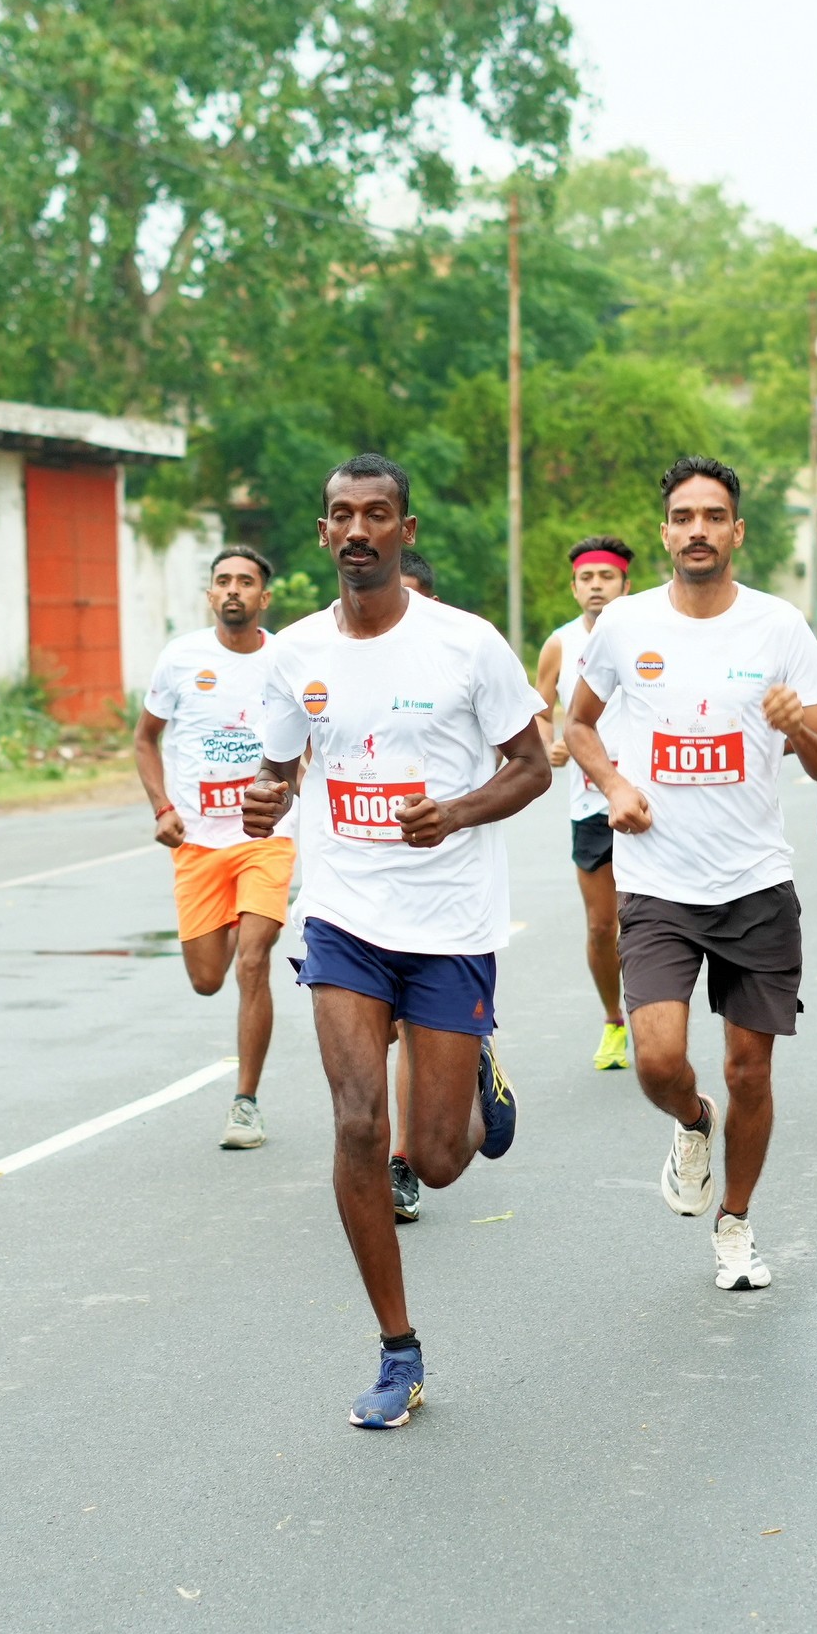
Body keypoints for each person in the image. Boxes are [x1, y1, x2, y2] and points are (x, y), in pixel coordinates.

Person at [243, 454, 550, 1429]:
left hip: (450, 920)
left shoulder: (466, 645)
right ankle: (397, 1347)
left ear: (405, 530)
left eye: (378, 513)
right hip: (344, 914)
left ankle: (476, 1069)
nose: (358, 529)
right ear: (324, 532)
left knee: (445, 1158)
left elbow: (533, 767)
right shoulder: (296, 652)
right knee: (359, 1125)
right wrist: (266, 798)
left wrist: (455, 811)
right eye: (342, 514)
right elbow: (279, 767)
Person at [565, 455, 817, 1292]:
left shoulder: (779, 627)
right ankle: (693, 1122)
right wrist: (615, 785)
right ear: (665, 533)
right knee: (658, 1061)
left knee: (749, 1070)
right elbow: (577, 725)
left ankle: (736, 1221)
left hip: (754, 885)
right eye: (684, 517)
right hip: (658, 883)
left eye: (713, 516)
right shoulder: (626, 625)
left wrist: (801, 729)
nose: (698, 530)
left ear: (737, 531)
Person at [135, 546, 292, 1149]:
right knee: (207, 980)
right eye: (223, 581)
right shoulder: (181, 658)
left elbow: (312, 740)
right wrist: (162, 808)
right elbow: (145, 740)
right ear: (209, 594)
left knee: (253, 960)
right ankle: (234, 913)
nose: (233, 590)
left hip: (265, 836)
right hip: (197, 841)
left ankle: (245, 1103)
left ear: (263, 597)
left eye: (245, 582)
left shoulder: (285, 660)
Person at [535, 535, 637, 1071]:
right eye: (587, 579)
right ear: (574, 588)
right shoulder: (559, 643)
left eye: (607, 577)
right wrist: (548, 745)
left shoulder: (646, 633)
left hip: (648, 801)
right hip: (590, 807)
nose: (597, 586)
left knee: (650, 921)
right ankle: (613, 1019)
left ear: (626, 585)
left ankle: (655, 1018)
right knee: (602, 926)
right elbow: (539, 707)